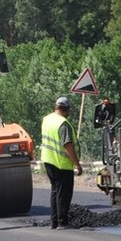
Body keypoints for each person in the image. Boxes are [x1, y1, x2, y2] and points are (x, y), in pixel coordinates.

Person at [40, 96, 83, 229]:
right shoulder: (63, 124)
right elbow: (68, 146)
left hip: (48, 160)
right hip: (61, 163)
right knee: (63, 193)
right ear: (67, 109)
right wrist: (77, 164)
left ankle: (54, 221)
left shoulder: (47, 119)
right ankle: (62, 222)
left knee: (55, 191)